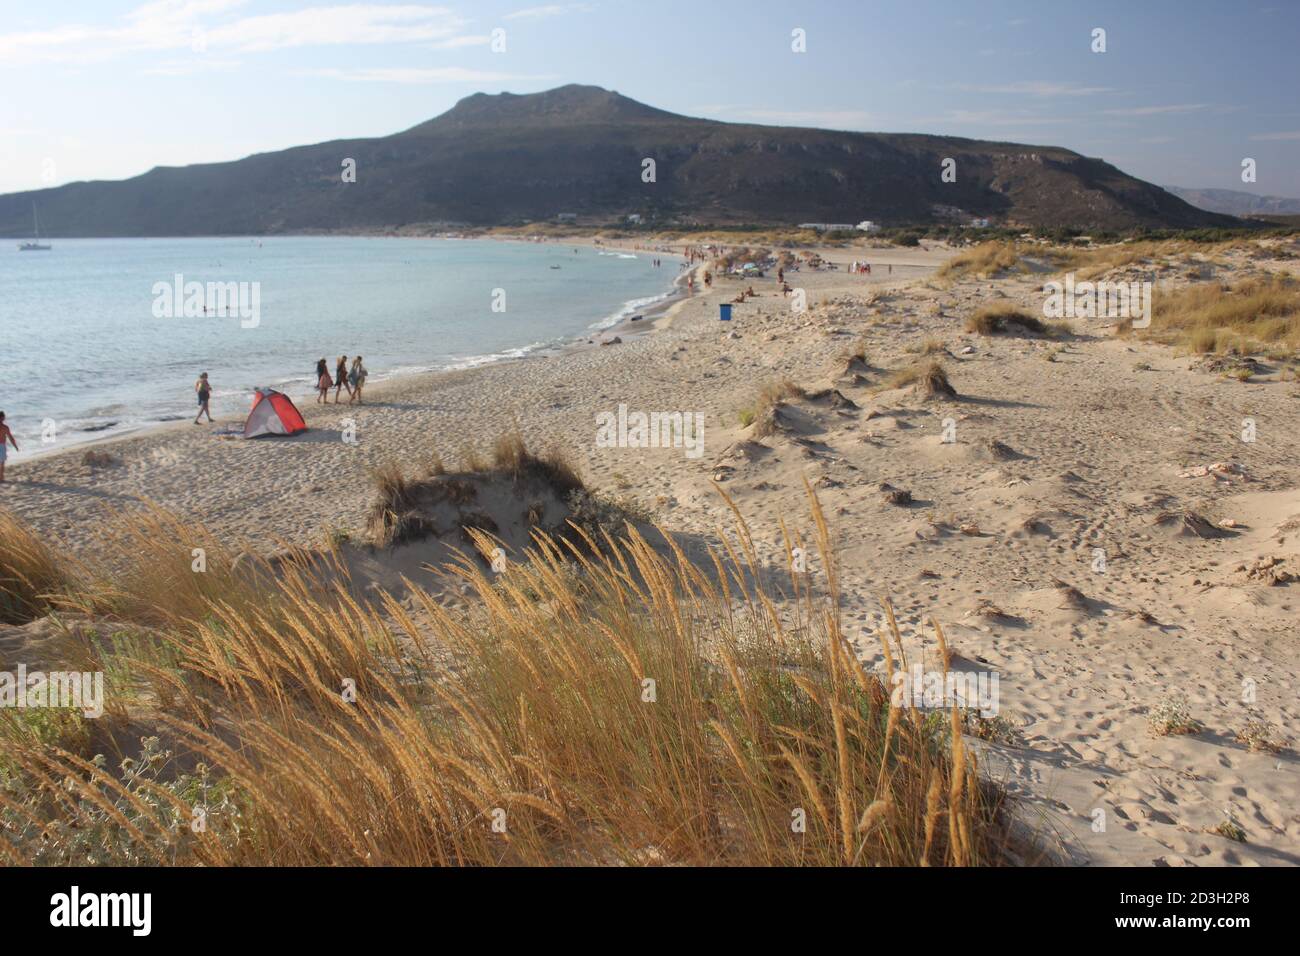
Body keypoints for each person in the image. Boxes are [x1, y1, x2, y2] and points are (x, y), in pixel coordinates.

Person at [0, 412, 17, 482]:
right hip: (2, 446)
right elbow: (10, 438)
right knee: (2, 463)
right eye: (4, 417)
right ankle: (1, 477)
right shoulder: (5, 427)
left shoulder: (5, 427)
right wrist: (15, 446)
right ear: (2, 418)